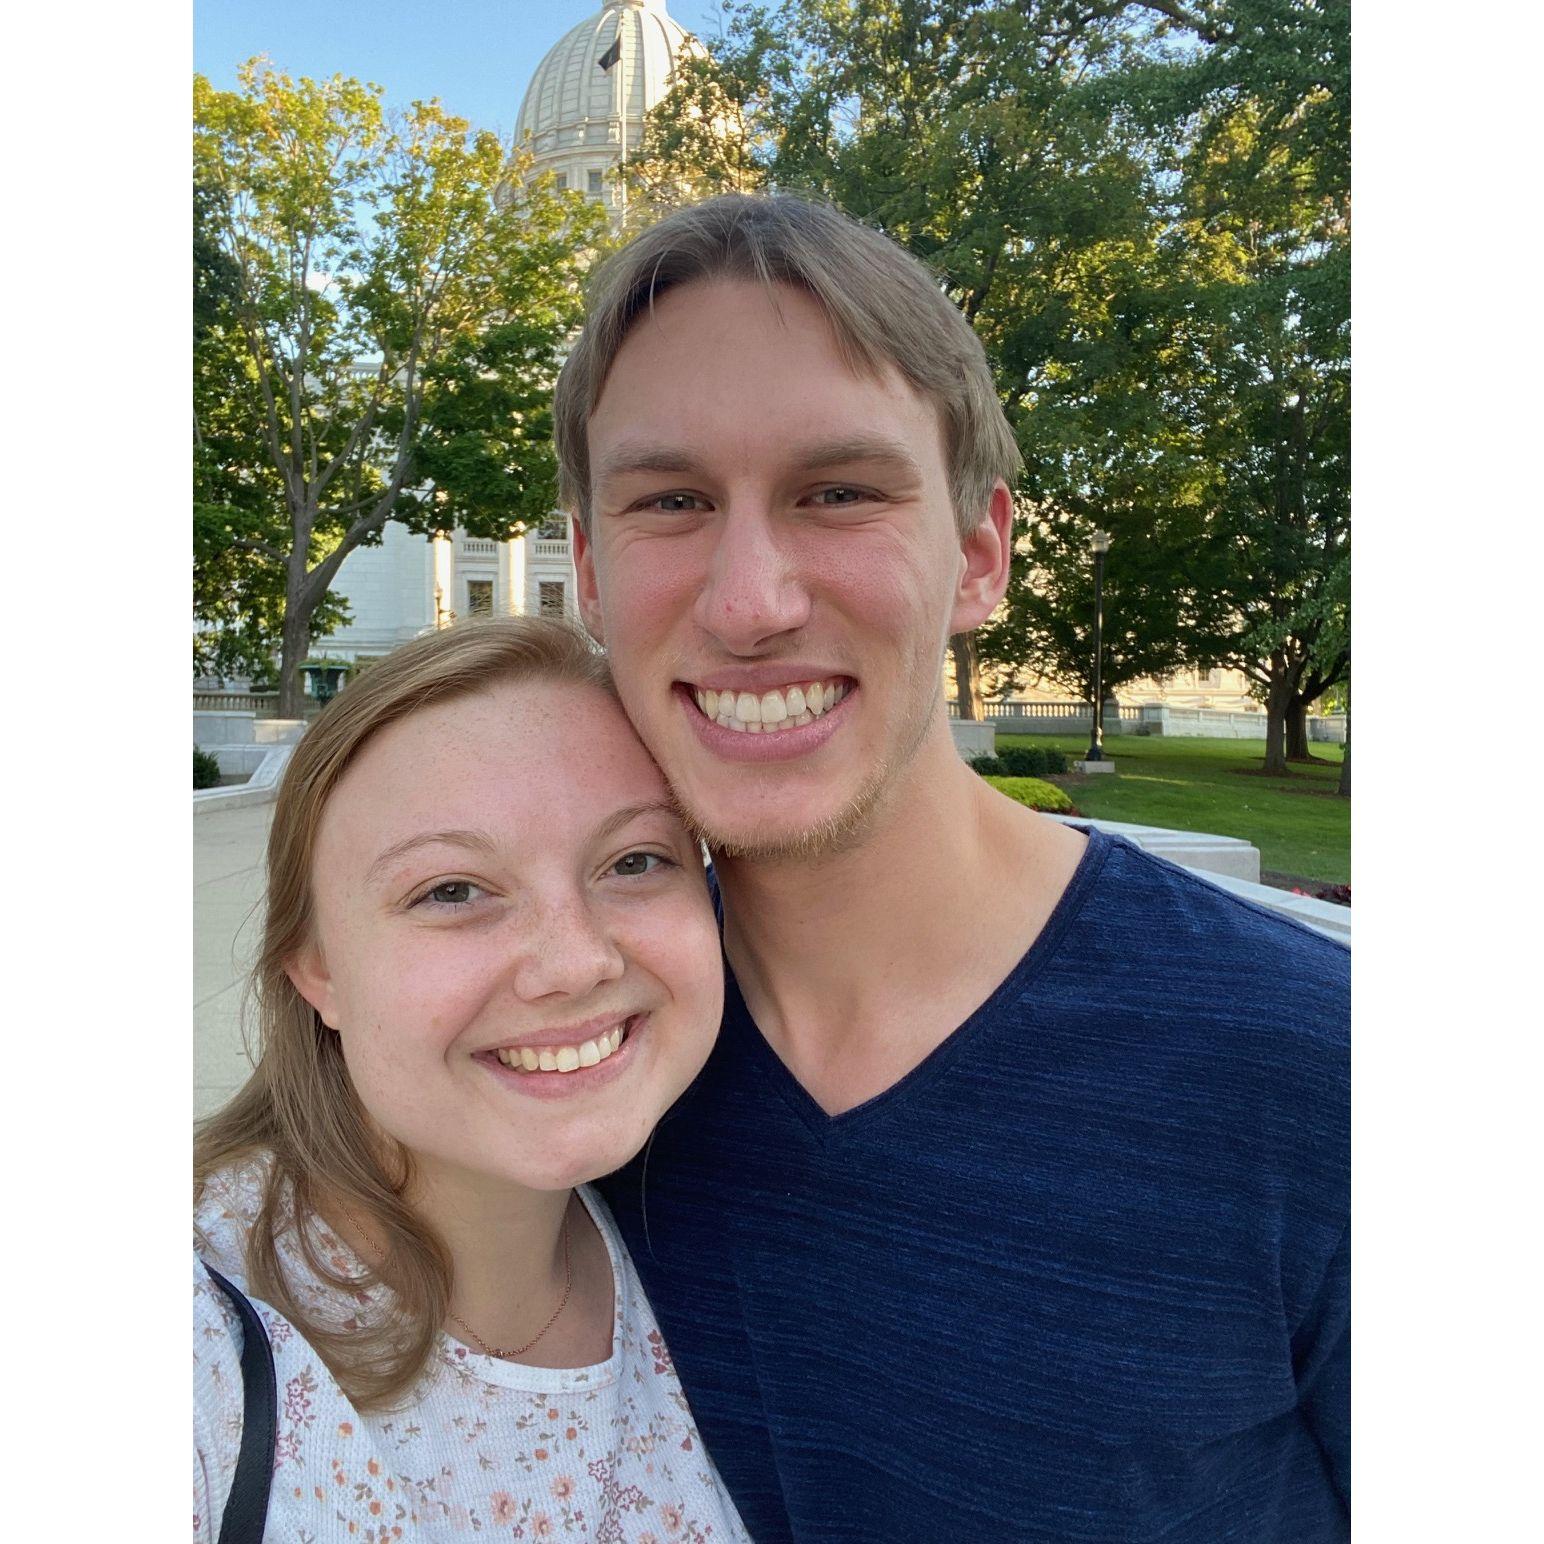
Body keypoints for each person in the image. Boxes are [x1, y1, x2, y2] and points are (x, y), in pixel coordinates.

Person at [555, 194, 1351, 1542]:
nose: (752, 602)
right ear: (586, 566)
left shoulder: (1321, 1073)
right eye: (673, 501)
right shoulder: (562, 1061)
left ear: (979, 553)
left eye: (840, 493)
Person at [194, 618, 751, 1543]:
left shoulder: (717, 1249)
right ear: (315, 967)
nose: (573, 964)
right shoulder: (197, 1343)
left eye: (636, 861)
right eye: (451, 890)